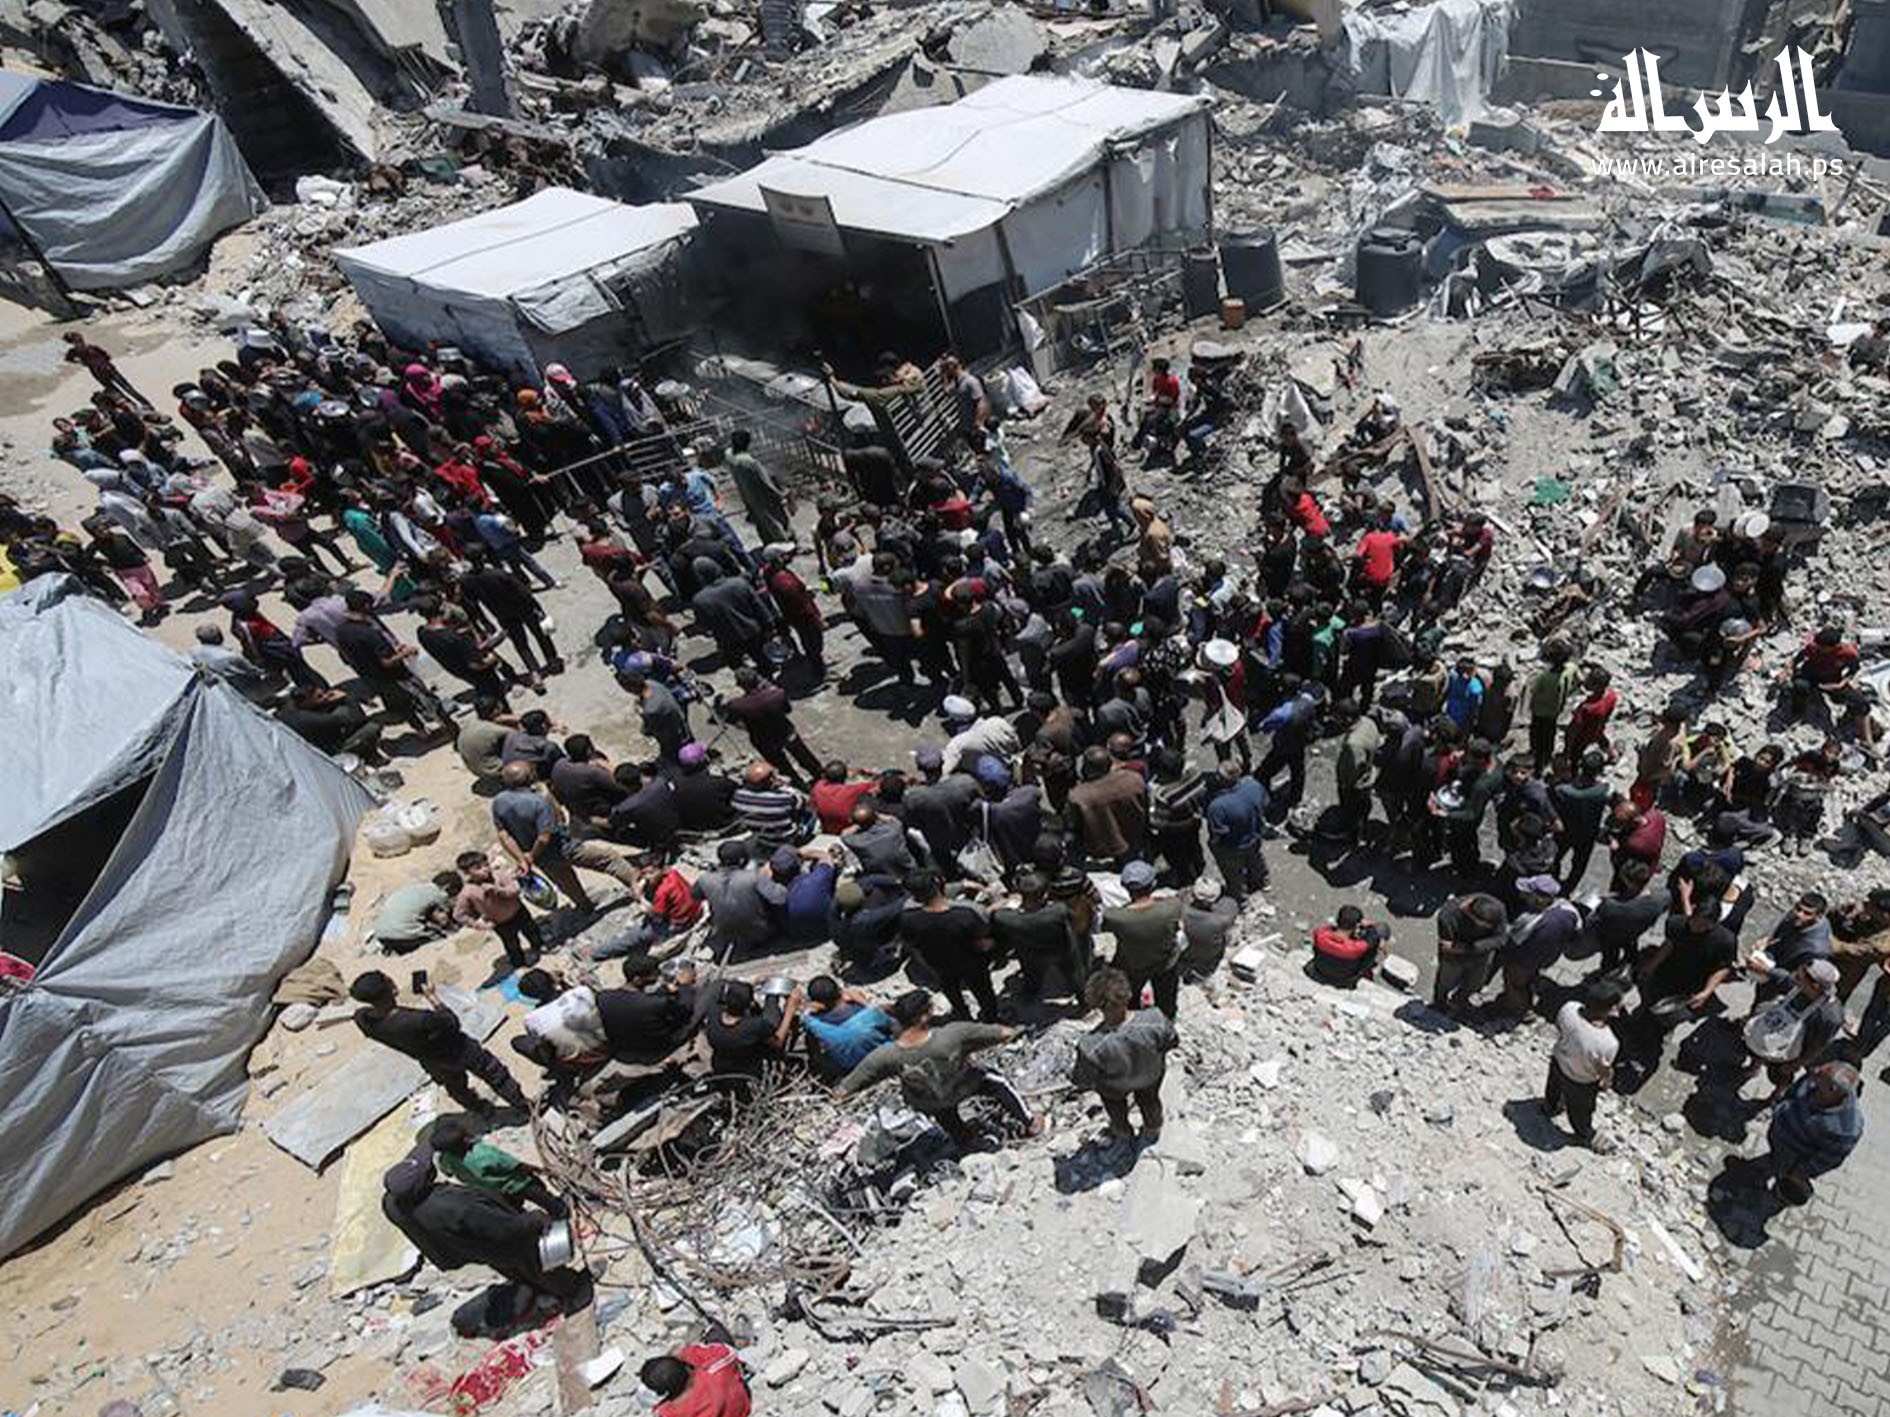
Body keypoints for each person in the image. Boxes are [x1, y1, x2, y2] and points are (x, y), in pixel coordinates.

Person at [835, 989, 1039, 1148]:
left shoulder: (885, 1055)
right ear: (924, 1015)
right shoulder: (953, 1034)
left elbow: (845, 1089)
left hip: (930, 1100)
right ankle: (1030, 1122)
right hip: (964, 1084)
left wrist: (840, 1094)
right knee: (997, 1082)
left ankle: (966, 1141)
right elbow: (1003, 1034)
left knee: (945, 1115)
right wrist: (1011, 1032)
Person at [381, 1150, 582, 1307]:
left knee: (510, 1268)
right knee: (533, 1263)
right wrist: (534, 1219)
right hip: (498, 1243)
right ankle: (571, 1288)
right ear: (425, 1182)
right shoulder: (455, 1206)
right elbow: (506, 1230)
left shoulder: (392, 1204)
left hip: (468, 1248)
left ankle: (535, 1287)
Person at [351, 970, 528, 1111]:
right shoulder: (416, 1020)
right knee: (495, 1074)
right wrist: (433, 997)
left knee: (457, 1088)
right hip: (460, 1050)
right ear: (391, 990)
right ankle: (523, 1105)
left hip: (431, 1061)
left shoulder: (363, 1020)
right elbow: (451, 1022)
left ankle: (480, 1109)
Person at [491, 761, 641, 913]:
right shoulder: (539, 802)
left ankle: (585, 907)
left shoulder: (499, 802)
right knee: (609, 859)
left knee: (567, 883)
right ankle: (640, 886)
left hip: (542, 859)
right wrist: (531, 856)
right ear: (529, 778)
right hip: (562, 848)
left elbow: (504, 834)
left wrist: (522, 859)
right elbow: (544, 837)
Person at [1072, 966, 1178, 1140]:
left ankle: (1123, 1133)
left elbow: (1082, 1080)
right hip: (1151, 1075)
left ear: (1095, 1004)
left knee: (1116, 1110)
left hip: (1114, 1087)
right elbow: (1172, 1042)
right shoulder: (1155, 1020)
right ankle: (1152, 1129)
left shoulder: (1091, 1046)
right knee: (1150, 1101)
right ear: (1128, 994)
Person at [899, 869, 998, 1021]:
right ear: (938, 883)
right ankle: (991, 1018)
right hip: (971, 964)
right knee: (984, 992)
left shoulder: (907, 918)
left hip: (938, 964)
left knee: (951, 990)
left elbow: (910, 944)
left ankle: (963, 1016)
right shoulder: (965, 914)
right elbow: (982, 942)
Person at [1759, 1061, 1864, 1202]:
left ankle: (1785, 1194)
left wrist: (1798, 1173)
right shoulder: (1814, 1080)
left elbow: (1827, 1160)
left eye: (1820, 1074)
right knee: (1774, 1158)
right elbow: (1792, 1092)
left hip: (1793, 1158)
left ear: (1832, 1090)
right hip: (1779, 1137)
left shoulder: (1846, 1129)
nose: (1814, 1070)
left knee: (1783, 1173)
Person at [428, 1114, 564, 1214]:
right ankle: (560, 1210)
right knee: (539, 1194)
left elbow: (447, 1171)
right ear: (466, 1140)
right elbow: (510, 1164)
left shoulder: (447, 1159)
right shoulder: (482, 1153)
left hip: (492, 1192)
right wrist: (533, 1169)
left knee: (513, 1207)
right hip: (515, 1183)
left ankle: (524, 1217)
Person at [1545, 980, 1624, 1151]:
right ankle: (1585, 1134)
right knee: (1580, 1111)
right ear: (1611, 1010)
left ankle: (1550, 1107)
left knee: (1553, 1088)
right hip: (1580, 1081)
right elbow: (1602, 1069)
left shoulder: (1569, 1008)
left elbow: (1559, 1027)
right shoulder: (1608, 1042)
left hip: (1559, 1061)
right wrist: (1607, 1080)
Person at [1099, 860, 1183, 1018]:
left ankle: (1135, 1021)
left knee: (1131, 998)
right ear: (1154, 884)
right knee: (1166, 1000)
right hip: (1164, 963)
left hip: (1132, 965)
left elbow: (1104, 928)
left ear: (1125, 887)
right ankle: (1166, 1021)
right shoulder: (1172, 907)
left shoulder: (1114, 916)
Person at [720, 668, 823, 782]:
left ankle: (797, 784)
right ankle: (820, 776)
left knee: (782, 766)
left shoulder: (736, 705)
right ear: (757, 679)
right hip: (786, 732)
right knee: (805, 757)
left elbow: (734, 721)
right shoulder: (777, 694)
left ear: (739, 685)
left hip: (763, 740)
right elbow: (787, 710)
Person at [452, 851, 544, 969]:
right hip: (500, 923)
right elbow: (459, 914)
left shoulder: (498, 875)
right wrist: (478, 924)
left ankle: (539, 946)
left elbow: (515, 889)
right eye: (478, 868)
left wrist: (498, 890)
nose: (485, 869)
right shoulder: (468, 892)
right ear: (467, 872)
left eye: (486, 865)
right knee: (512, 944)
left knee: (531, 930)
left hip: (518, 911)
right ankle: (519, 964)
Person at [800, 975, 897, 1079]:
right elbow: (891, 1024)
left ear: (817, 1003)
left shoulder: (817, 1025)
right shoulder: (871, 1015)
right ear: (840, 991)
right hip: (882, 1057)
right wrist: (865, 1002)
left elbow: (805, 1016)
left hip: (850, 1068)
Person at [1432, 892, 1507, 1015]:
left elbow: (1500, 939)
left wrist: (1467, 948)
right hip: (1454, 958)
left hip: (1480, 955)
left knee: (1475, 983)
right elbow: (1448, 946)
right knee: (1445, 983)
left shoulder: (1496, 908)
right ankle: (1439, 1004)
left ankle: (1459, 1000)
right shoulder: (1448, 916)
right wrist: (1463, 949)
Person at [1205, 761, 1269, 901]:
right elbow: (1265, 803)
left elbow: (1219, 833)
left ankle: (1241, 896)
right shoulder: (1253, 785)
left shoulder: (1217, 806)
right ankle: (1262, 882)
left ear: (1221, 780)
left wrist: (1213, 844)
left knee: (1233, 873)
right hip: (1254, 836)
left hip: (1232, 846)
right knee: (1256, 861)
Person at [639, 1338, 751, 1417]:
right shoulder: (715, 1371)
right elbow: (728, 1351)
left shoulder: (666, 1412)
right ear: (687, 1368)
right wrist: (684, 1353)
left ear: (661, 1394)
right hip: (741, 1409)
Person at [724, 429, 792, 546]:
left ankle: (768, 543)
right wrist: (781, 494)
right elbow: (766, 482)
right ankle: (785, 545)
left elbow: (729, 450)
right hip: (762, 497)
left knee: (760, 522)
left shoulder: (729, 455)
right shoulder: (750, 462)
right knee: (775, 522)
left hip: (747, 495)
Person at [372, 875, 456, 951]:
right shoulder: (439, 894)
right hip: (401, 935)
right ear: (447, 887)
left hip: (380, 933)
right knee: (438, 940)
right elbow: (445, 918)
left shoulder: (414, 888)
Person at [1310, 905, 1384, 988]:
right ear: (1356, 926)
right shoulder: (1356, 948)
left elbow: (1326, 928)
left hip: (1320, 972)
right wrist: (1370, 927)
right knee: (1373, 945)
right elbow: (1374, 938)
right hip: (1343, 980)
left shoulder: (1320, 935)